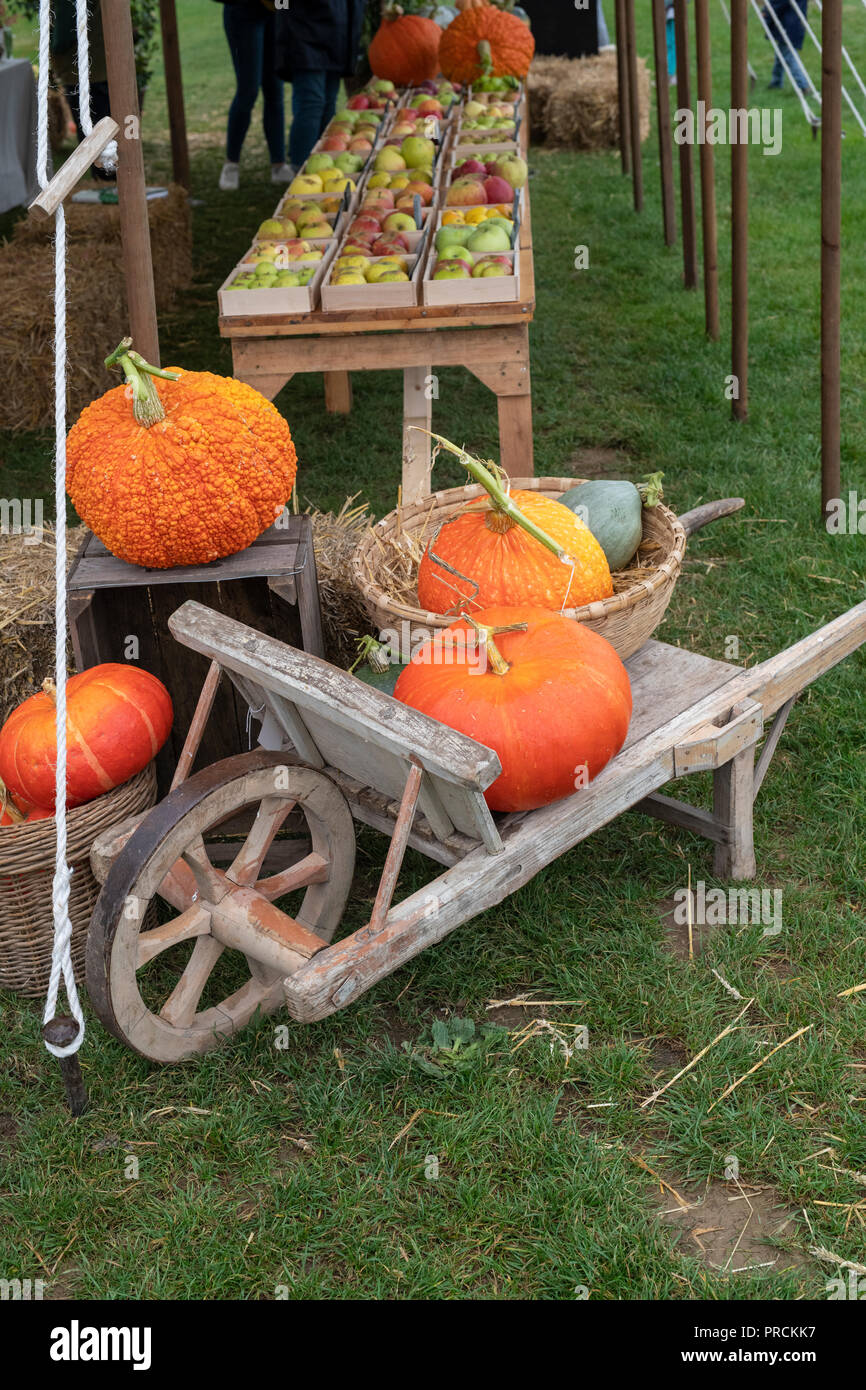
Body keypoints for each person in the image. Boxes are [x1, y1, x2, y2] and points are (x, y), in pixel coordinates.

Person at [275, 1, 368, 172]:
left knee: (328, 103)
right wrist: (285, 17)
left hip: (338, 28)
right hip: (302, 29)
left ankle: (324, 165)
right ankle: (300, 171)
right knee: (312, 103)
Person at [216, 0, 291, 191]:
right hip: (243, 12)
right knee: (248, 89)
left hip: (276, 13)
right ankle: (231, 163)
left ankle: (279, 165)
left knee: (275, 88)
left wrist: (285, 9)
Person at [764, 0, 810, 92]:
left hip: (788, 25)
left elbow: (779, 2)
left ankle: (803, 85)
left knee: (789, 55)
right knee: (781, 54)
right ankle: (776, 82)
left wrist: (766, 12)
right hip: (794, 23)